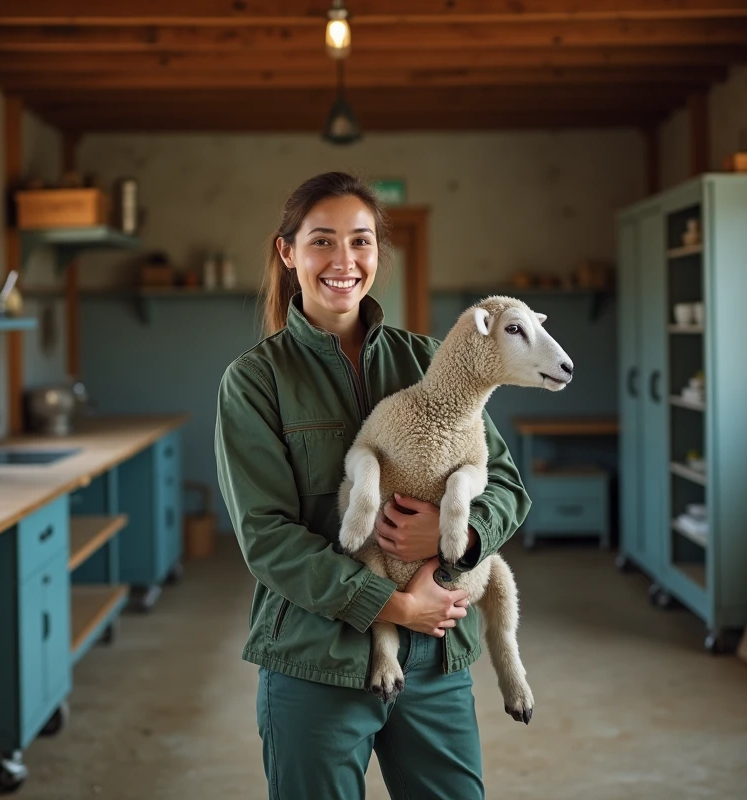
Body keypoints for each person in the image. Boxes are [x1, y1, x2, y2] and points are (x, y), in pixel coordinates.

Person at [215, 171, 530, 800]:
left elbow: (507, 486)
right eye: (322, 241)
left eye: (360, 241)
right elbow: (266, 537)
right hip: (314, 660)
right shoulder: (255, 382)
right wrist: (391, 604)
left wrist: (460, 537)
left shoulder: (429, 359)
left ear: (378, 255)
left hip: (438, 656)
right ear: (289, 253)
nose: (343, 261)